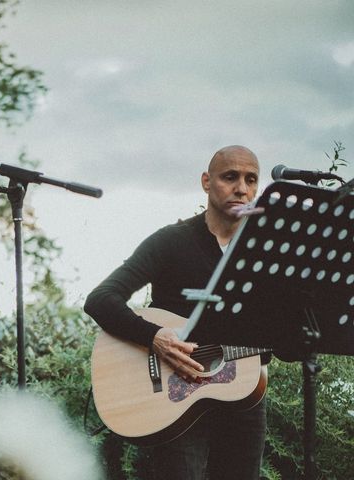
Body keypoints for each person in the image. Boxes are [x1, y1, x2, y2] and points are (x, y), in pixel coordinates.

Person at [84, 145, 266, 480]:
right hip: (174, 397)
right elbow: (100, 299)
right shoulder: (171, 242)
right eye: (230, 177)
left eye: (251, 179)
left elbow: (277, 332)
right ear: (206, 182)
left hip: (242, 399)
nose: (242, 188)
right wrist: (154, 338)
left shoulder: (263, 255)